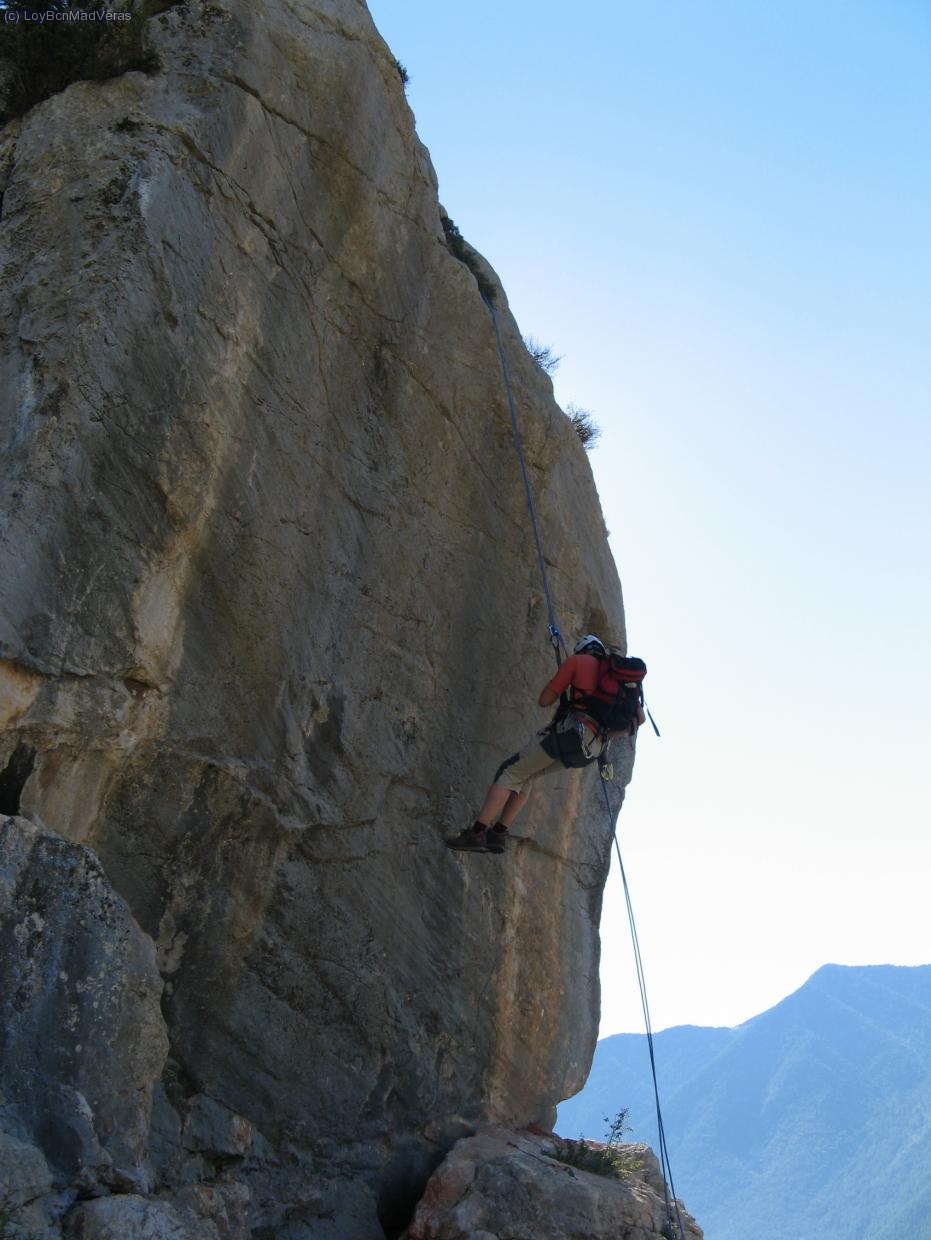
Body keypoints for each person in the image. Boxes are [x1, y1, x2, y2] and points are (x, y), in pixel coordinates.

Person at [447, 634, 645, 854]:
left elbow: (544, 700)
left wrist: (565, 681)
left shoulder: (577, 662)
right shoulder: (619, 683)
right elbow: (639, 720)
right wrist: (604, 731)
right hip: (591, 750)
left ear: (583, 650)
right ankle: (497, 835)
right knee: (528, 775)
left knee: (510, 771)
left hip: (571, 734)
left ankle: (476, 833)